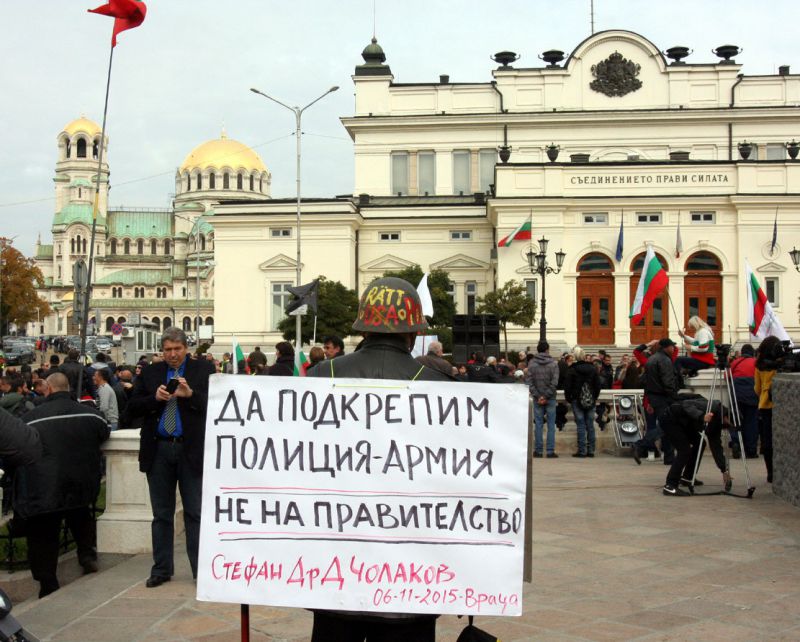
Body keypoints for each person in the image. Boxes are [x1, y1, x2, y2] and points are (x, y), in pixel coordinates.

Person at [307, 276, 449, 642]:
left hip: (335, 569)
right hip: (413, 574)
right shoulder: (440, 385)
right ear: (412, 331)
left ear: (363, 326)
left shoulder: (322, 374)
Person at [126, 327, 216, 587]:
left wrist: (191, 396)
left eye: (177, 350)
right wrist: (155, 398)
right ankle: (161, 569)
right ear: (162, 350)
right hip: (159, 450)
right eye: (168, 350)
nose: (173, 355)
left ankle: (201, 571)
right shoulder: (151, 372)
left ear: (185, 349)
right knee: (161, 514)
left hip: (190, 449)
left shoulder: (202, 371)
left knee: (195, 512)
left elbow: (215, 404)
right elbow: (133, 407)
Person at [15, 372, 109, 597]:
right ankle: (87, 556)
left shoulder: (31, 418)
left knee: (44, 536)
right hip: (81, 484)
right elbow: (103, 433)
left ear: (47, 389)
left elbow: (19, 442)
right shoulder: (91, 415)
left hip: (44, 487)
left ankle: (48, 582)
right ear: (68, 388)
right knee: (81, 518)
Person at [659, 395, 729, 496]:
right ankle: (670, 485)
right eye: (730, 425)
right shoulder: (713, 406)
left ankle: (688, 477)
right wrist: (702, 416)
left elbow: (716, 447)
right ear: (727, 417)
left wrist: (724, 470)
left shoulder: (718, 422)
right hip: (671, 419)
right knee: (684, 450)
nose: (727, 428)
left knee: (700, 442)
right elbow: (686, 404)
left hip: (684, 423)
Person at [635, 338, 680, 464]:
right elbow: (668, 382)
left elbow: (648, 382)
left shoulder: (650, 360)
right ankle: (641, 445)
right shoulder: (664, 360)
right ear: (665, 347)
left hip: (652, 398)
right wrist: (674, 397)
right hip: (663, 397)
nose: (673, 349)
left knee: (663, 426)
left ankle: (668, 456)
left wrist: (648, 344)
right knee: (665, 426)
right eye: (671, 346)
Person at [565, 346, 601, 457]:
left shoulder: (572, 369)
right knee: (590, 425)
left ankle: (582, 451)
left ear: (575, 357)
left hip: (577, 399)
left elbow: (568, 386)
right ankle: (591, 450)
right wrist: (594, 397)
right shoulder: (593, 369)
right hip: (590, 399)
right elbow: (598, 385)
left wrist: (569, 398)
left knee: (580, 425)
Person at [526, 340, 559, 458]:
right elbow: (554, 382)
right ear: (547, 350)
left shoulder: (532, 363)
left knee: (538, 424)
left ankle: (538, 451)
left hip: (537, 397)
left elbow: (529, 382)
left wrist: (538, 396)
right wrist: (546, 395)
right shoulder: (554, 363)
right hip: (550, 397)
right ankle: (550, 451)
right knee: (551, 425)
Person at [755, 336, 781, 483]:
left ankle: (770, 472)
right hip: (780, 405)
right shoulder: (781, 364)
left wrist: (764, 393)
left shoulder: (759, 365)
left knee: (767, 440)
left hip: (765, 405)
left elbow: (757, 388)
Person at [728, 344, 758, 459]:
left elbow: (727, 376)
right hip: (752, 396)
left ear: (742, 352)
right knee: (751, 422)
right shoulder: (755, 362)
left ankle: (736, 443)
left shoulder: (736, 362)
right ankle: (751, 450)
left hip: (737, 395)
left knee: (736, 420)